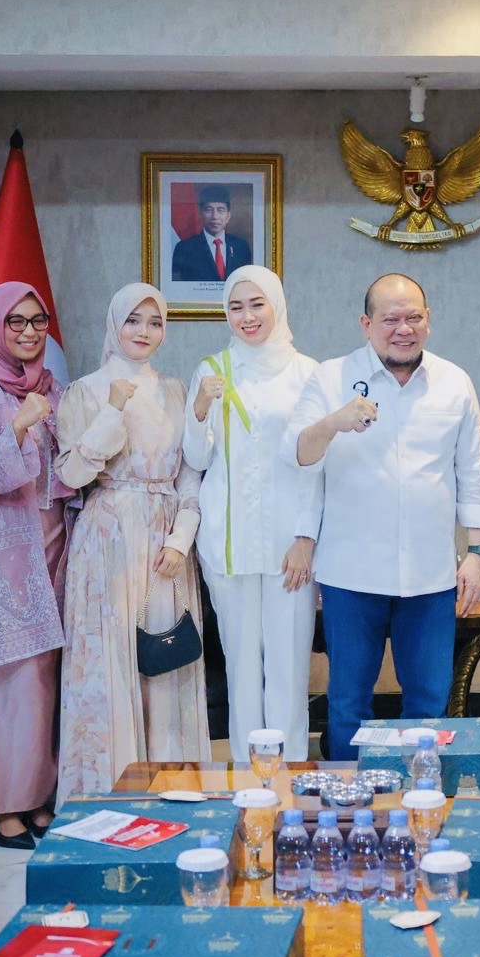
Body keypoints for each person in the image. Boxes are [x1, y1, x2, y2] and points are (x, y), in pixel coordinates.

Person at [283, 273, 480, 762]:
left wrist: (478, 553)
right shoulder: (331, 377)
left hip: (430, 575)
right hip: (350, 574)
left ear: (428, 320)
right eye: (391, 319)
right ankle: (349, 800)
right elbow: (295, 452)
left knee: (428, 700)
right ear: (366, 324)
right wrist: (334, 421)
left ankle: (418, 796)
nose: (404, 329)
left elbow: (471, 472)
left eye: (414, 317)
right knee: (348, 702)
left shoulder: (453, 382)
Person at [56, 283, 208, 799]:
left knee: (164, 660)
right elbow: (71, 475)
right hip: (108, 540)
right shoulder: (85, 391)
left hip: (165, 540)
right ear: (114, 324)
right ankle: (108, 794)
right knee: (112, 663)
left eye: (155, 322)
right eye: (133, 320)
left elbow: (190, 474)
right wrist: (112, 411)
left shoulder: (176, 390)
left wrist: (181, 539)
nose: (144, 331)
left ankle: (172, 791)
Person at [0, 282, 75, 849]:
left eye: (37, 320)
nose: (28, 332)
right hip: (2, 548)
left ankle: (37, 794)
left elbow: (70, 467)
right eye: (15, 322)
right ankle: (1, 805)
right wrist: (20, 425)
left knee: (44, 675)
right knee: (8, 675)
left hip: (52, 541)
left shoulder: (53, 386)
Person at [183, 266, 321, 763]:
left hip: (290, 544)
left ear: (276, 304)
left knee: (288, 667)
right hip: (229, 541)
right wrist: (200, 407)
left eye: (256, 304)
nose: (247, 316)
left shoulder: (308, 373)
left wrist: (306, 537)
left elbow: (318, 465)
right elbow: (196, 457)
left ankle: (288, 774)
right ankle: (246, 776)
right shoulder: (212, 369)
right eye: (236, 307)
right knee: (240, 668)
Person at [172, 185, 253, 282]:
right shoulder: (184, 248)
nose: (215, 216)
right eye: (209, 210)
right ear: (200, 214)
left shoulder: (241, 247)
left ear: (228, 215)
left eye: (220, 210)